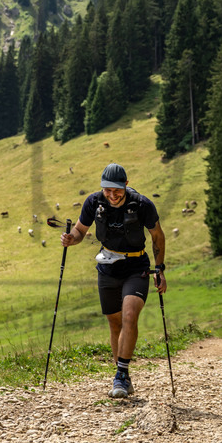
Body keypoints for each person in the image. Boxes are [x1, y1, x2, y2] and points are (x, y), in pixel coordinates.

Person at [59, 163, 166, 398]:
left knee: (129, 316)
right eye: (107, 190)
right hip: (107, 267)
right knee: (115, 322)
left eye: (116, 190)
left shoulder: (141, 204)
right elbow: (80, 230)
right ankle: (123, 376)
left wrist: (159, 269)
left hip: (136, 267)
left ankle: (121, 374)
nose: (112, 195)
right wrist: (70, 239)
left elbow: (157, 236)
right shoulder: (93, 202)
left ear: (125, 185)